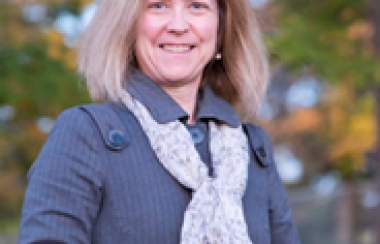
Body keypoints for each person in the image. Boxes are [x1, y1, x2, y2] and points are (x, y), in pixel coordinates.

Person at [18, 0, 300, 243]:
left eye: (197, 6)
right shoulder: (86, 133)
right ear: (128, 24)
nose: (178, 25)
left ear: (221, 29)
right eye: (158, 5)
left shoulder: (252, 148)